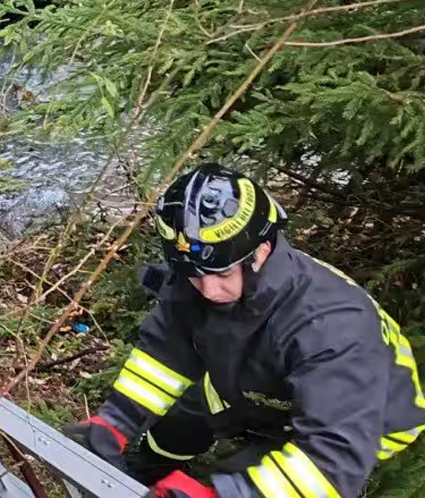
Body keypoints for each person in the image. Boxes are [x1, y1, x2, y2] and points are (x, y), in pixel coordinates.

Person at [64, 163, 425, 498]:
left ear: (262, 251)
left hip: (361, 419)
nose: (208, 291)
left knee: (248, 473)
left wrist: (222, 494)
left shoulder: (332, 327)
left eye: (222, 275)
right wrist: (115, 422)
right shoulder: (201, 270)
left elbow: (332, 460)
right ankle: (141, 472)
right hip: (253, 375)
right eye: (195, 277)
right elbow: (163, 354)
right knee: (183, 422)